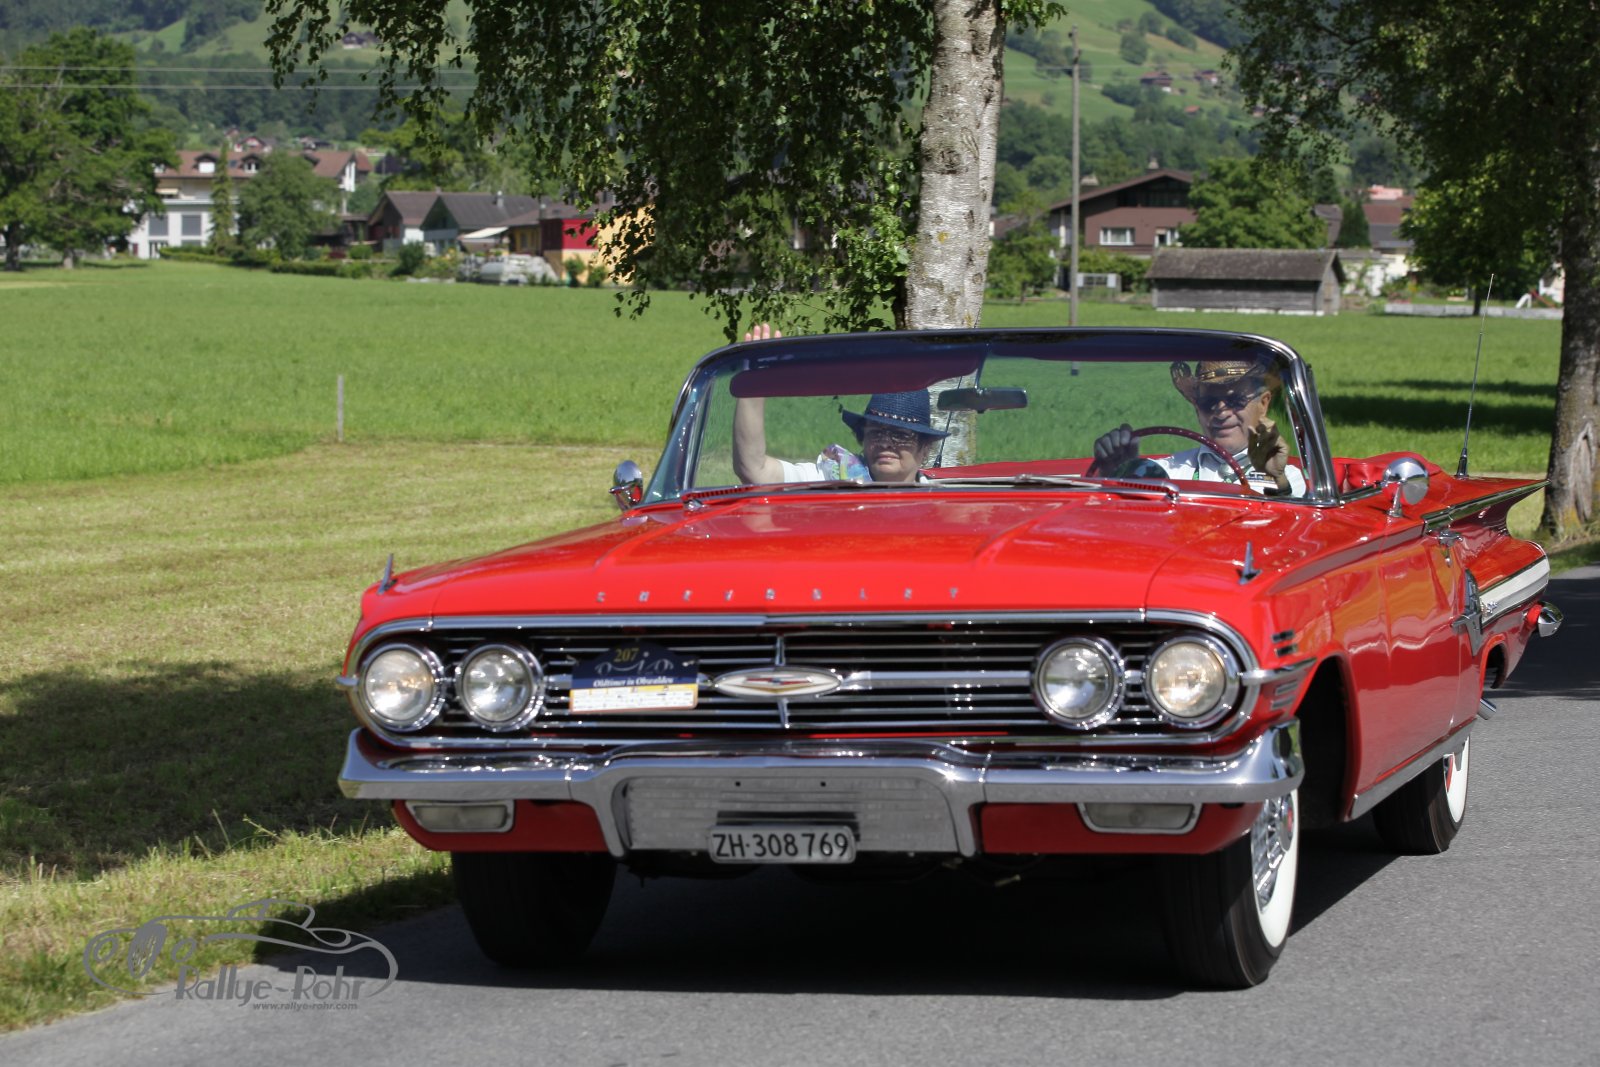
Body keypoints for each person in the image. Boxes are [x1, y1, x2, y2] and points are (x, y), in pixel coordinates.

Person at [731, 324, 947, 484]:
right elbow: (754, 469)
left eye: (900, 435)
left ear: (925, 448)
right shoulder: (835, 477)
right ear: (863, 437)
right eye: (876, 432)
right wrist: (753, 386)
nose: (885, 443)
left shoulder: (943, 503)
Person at [1092, 358, 1307, 495]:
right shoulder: (1171, 470)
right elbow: (1129, 514)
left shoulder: (1289, 477)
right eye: (1208, 403)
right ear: (1197, 409)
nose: (1221, 412)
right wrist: (1120, 470)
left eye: (1235, 401)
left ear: (1263, 404)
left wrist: (1276, 480)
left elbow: (1290, 528)